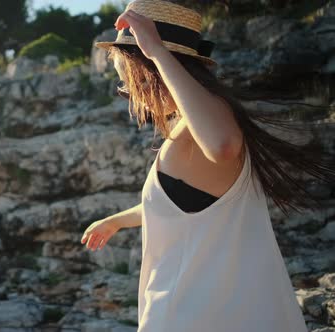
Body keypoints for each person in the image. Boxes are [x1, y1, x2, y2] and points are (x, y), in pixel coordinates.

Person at [79, 0, 335, 331]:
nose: (127, 92)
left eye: (127, 80)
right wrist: (116, 221)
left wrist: (157, 51)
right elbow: (182, 204)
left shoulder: (205, 126)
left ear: (148, 71)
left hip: (189, 313)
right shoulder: (193, 126)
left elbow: (223, 146)